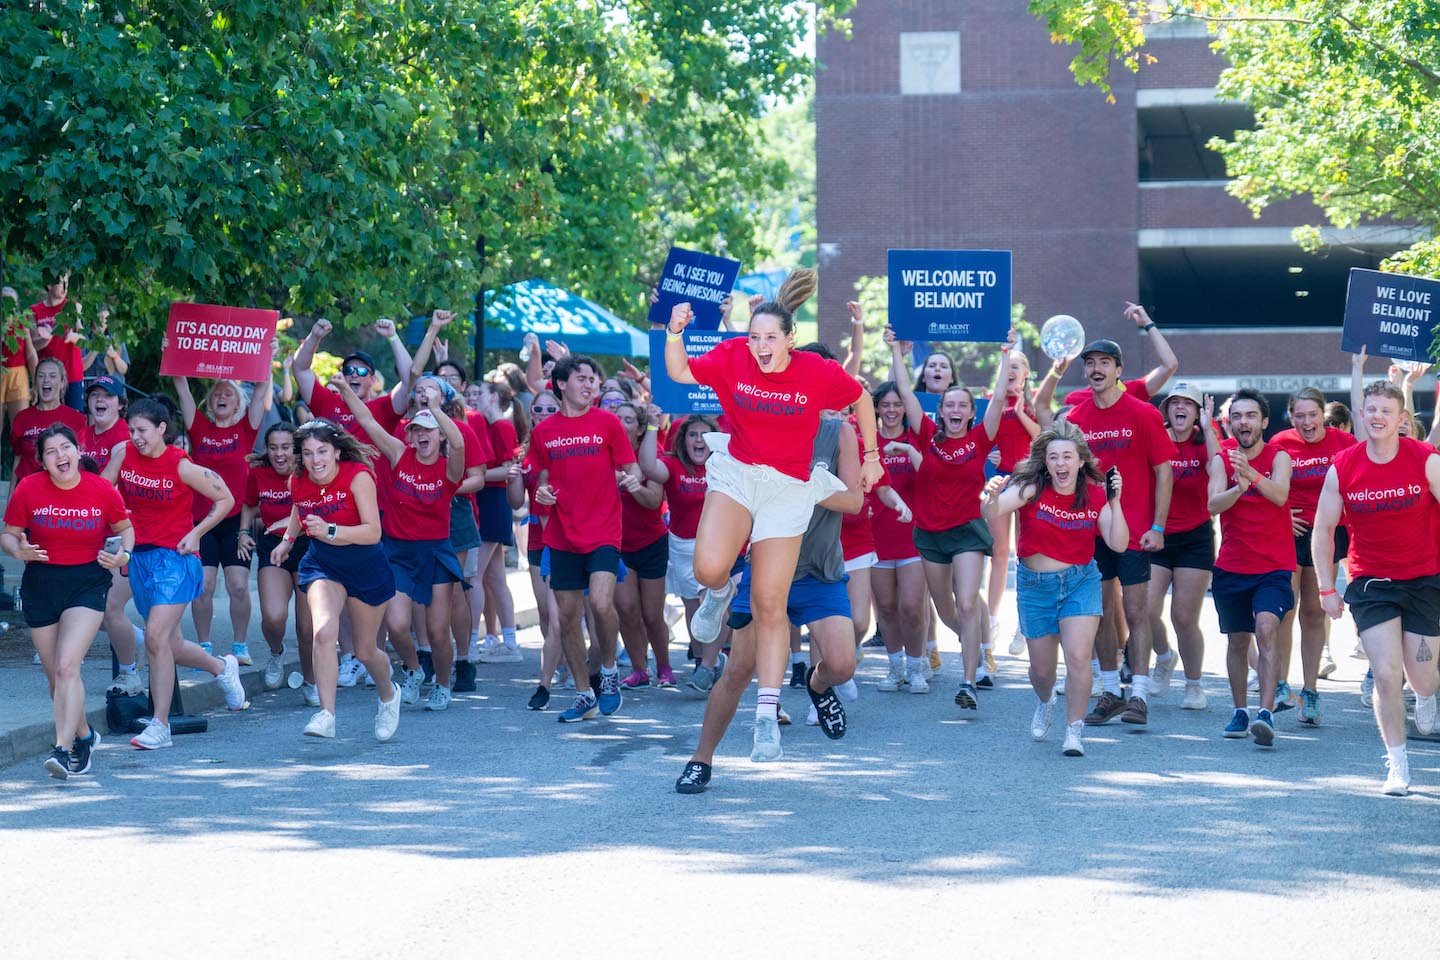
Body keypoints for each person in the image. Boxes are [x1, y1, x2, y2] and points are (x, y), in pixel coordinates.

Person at [664, 269, 881, 760]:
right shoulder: (732, 357)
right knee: (708, 569)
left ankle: (766, 717)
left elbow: (862, 397)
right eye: (754, 337)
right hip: (739, 473)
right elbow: (679, 372)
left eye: (770, 338)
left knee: (768, 601)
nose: (761, 346)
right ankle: (718, 595)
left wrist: (869, 456)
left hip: (787, 489)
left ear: (789, 340)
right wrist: (674, 332)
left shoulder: (816, 373)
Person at [676, 407, 865, 791]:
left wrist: (804, 480)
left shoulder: (838, 432)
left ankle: (817, 685)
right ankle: (701, 759)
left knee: (843, 665)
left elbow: (854, 501)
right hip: (764, 567)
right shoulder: (766, 425)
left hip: (818, 570)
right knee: (738, 671)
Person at [1313, 379, 1440, 795]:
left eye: (1387, 410)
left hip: (1424, 579)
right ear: (1362, 413)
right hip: (1372, 582)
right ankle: (1398, 767)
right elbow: (1323, 529)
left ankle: (1425, 696)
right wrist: (1326, 587)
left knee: (1421, 677)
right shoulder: (1343, 466)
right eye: (1371, 409)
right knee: (1386, 675)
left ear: (1402, 418)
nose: (1378, 417)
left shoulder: (1426, 459)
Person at [102, 399, 248, 749]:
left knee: (154, 636)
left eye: (142, 430)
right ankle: (222, 668)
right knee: (171, 643)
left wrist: (197, 532)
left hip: (175, 559)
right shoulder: (124, 453)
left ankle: (160, 725)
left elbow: (226, 499)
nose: (135, 437)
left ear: (162, 429)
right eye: (132, 430)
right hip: (138, 557)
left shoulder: (181, 466)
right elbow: (103, 492)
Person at [982, 421, 1128, 757]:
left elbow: (1119, 544)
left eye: (1067, 456)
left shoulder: (1094, 493)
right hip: (1036, 586)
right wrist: (991, 496)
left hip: (1080, 581)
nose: (1061, 464)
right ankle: (1045, 700)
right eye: (1054, 457)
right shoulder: (1032, 487)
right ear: (1045, 462)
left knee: (1078, 657)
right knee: (1042, 671)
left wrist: (1115, 501)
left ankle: (1074, 731)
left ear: (1080, 461)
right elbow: (993, 511)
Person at [886, 325, 1010, 708]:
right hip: (929, 534)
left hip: (967, 532)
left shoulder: (980, 439)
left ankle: (968, 681)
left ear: (972, 414)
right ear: (939, 412)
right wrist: (896, 352)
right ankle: (971, 639)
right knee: (947, 611)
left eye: (963, 406)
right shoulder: (925, 435)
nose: (955, 410)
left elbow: (1001, 396)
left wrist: (1006, 355)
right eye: (949, 406)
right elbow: (906, 392)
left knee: (968, 603)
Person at [3, 425, 133, 778]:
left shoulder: (101, 489)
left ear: (78, 451)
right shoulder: (29, 489)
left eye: (66, 448)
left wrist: (124, 556)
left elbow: (125, 529)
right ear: (42, 461)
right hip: (41, 585)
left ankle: (63, 751)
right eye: (51, 451)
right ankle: (86, 736)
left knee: (66, 667)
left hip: (86, 584)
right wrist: (20, 549)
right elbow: (8, 536)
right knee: (55, 677)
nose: (60, 455)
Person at [526, 354, 646, 721]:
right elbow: (541, 479)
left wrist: (633, 479)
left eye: (593, 379)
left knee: (600, 603)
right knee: (566, 617)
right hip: (561, 534)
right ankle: (582, 693)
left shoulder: (609, 423)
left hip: (605, 530)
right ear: (561, 384)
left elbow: (632, 467)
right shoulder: (543, 431)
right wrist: (542, 494)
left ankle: (607, 672)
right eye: (581, 378)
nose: (589, 384)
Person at [1065, 334, 1176, 729]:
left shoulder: (1141, 412)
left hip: (1134, 531)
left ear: (1119, 370)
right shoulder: (1076, 420)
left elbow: (1164, 472)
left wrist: (1158, 526)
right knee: (1100, 613)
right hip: (1090, 534)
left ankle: (1140, 695)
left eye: (1104, 363)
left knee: (1135, 610)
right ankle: (1110, 690)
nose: (1096, 369)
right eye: (1090, 363)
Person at [337, 376, 467, 711]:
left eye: (430, 430)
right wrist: (344, 389)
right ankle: (413, 670)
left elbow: (461, 445)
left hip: (435, 551)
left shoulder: (449, 468)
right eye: (417, 430)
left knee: (439, 631)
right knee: (396, 624)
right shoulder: (399, 454)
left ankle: (442, 684)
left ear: (440, 435)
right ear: (410, 435)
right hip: (397, 551)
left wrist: (435, 409)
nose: (423, 435)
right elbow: (366, 420)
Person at [270, 418, 400, 739]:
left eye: (322, 451)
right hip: (323, 565)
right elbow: (300, 510)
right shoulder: (298, 479)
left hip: (365, 567)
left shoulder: (358, 478)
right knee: (325, 631)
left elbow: (372, 533)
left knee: (366, 651)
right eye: (308, 453)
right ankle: (326, 713)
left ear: (337, 452)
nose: (316, 460)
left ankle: (388, 695)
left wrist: (330, 530)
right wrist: (287, 540)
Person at [1206, 389, 1294, 746]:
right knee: (1238, 641)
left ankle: (1266, 713)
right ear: (1230, 423)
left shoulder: (1279, 456)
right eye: (1238, 416)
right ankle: (1241, 710)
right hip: (1232, 566)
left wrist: (1253, 477)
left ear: (1264, 422)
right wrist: (1238, 488)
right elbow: (1213, 504)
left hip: (1273, 566)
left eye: (1251, 415)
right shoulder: (1221, 460)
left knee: (1267, 627)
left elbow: (1281, 495)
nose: (1244, 422)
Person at [171, 366, 272, 667]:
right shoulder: (199, 428)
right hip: (202, 520)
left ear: (238, 404)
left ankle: (240, 646)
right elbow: (182, 388)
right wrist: (174, 356)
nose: (222, 397)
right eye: (217, 394)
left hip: (235, 521)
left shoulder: (246, 428)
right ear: (210, 403)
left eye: (228, 393)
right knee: (204, 585)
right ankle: (203, 645)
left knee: (239, 585)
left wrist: (267, 358)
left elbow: (262, 390)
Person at [1272, 385, 1359, 723]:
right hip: (1289, 533)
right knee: (1283, 610)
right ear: (1290, 416)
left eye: (1312, 415)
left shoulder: (1343, 443)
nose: (1307, 423)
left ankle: (1310, 692)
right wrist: (1281, 514)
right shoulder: (1280, 443)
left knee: (1313, 612)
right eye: (1299, 416)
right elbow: (1263, 485)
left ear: (1323, 414)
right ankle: (1279, 685)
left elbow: (1361, 478)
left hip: (1327, 534)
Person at [639, 411, 737, 693]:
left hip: (716, 544)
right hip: (680, 547)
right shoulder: (673, 465)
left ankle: (707, 667)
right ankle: (708, 659)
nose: (699, 439)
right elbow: (647, 466)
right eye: (692, 434)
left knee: (712, 605)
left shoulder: (725, 465)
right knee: (694, 613)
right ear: (684, 440)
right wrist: (653, 424)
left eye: (704, 435)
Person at [1147, 383, 1221, 710]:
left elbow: (1220, 470)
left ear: (1197, 411)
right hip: (1157, 534)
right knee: (1143, 610)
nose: (1180, 407)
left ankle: (1194, 684)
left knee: (1183, 616)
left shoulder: (1206, 438)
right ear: (1166, 410)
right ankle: (1164, 656)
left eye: (1187, 403)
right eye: (1174, 402)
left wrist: (1209, 430)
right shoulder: (1156, 436)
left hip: (1195, 537)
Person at [78, 374, 145, 695]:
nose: (100, 400)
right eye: (94, 395)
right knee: (89, 607)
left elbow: (104, 487)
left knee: (108, 608)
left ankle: (130, 674)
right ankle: (141, 638)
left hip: (126, 536)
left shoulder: (126, 437)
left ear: (121, 404)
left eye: (108, 395)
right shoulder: (80, 436)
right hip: (89, 534)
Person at [240, 423, 313, 695]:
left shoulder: (310, 471)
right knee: (273, 617)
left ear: (296, 450)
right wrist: (243, 532)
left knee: (307, 629)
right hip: (273, 547)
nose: (279, 454)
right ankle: (276, 652)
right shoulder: (259, 472)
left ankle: (312, 681)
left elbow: (320, 509)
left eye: (286, 447)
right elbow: (249, 503)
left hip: (308, 547)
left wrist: (287, 521)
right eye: (273, 448)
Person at [868, 381, 930, 693]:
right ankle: (895, 669)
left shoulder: (915, 440)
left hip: (913, 536)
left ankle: (917, 668)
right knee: (887, 607)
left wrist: (909, 450)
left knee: (911, 606)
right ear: (876, 408)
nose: (891, 410)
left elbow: (931, 478)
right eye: (886, 405)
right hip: (877, 536)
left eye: (897, 404)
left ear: (905, 407)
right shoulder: (868, 442)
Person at [612, 401, 673, 688]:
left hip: (651, 541)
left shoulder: (649, 455)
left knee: (651, 613)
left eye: (627, 419)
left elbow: (654, 502)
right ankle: (639, 669)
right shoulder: (603, 455)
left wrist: (634, 488)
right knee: (626, 609)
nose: (620, 422)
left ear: (638, 428)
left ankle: (664, 666)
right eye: (616, 418)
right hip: (615, 543)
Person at [987, 346, 1042, 658]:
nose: (1010, 371)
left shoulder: (1034, 404)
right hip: (1000, 480)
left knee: (1027, 552)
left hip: (1028, 480)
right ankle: (991, 622)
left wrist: (1021, 409)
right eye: (1006, 365)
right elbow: (984, 436)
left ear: (1025, 374)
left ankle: (1023, 624)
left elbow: (1042, 436)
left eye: (1016, 367)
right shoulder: (992, 401)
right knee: (998, 553)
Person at [11, 358, 86, 482]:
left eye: (52, 376)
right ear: (35, 382)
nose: (46, 380)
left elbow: (81, 461)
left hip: (62, 490)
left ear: (62, 382)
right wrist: (11, 498)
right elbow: (17, 459)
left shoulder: (77, 419)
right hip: (28, 490)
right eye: (41, 376)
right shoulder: (22, 418)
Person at [28, 273, 87, 411]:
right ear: (49, 285)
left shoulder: (73, 306)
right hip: (46, 376)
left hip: (72, 374)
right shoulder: (34, 311)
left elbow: (83, 339)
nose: (65, 287)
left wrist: (74, 336)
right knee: (47, 419)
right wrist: (45, 338)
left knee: (74, 419)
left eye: (67, 282)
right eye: (61, 283)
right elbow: (31, 346)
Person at [0, 284, 38, 428]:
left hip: (18, 375)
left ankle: (19, 451)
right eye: (5, 301)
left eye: (12, 302)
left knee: (20, 426)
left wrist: (36, 383)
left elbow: (30, 354)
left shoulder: (21, 323)